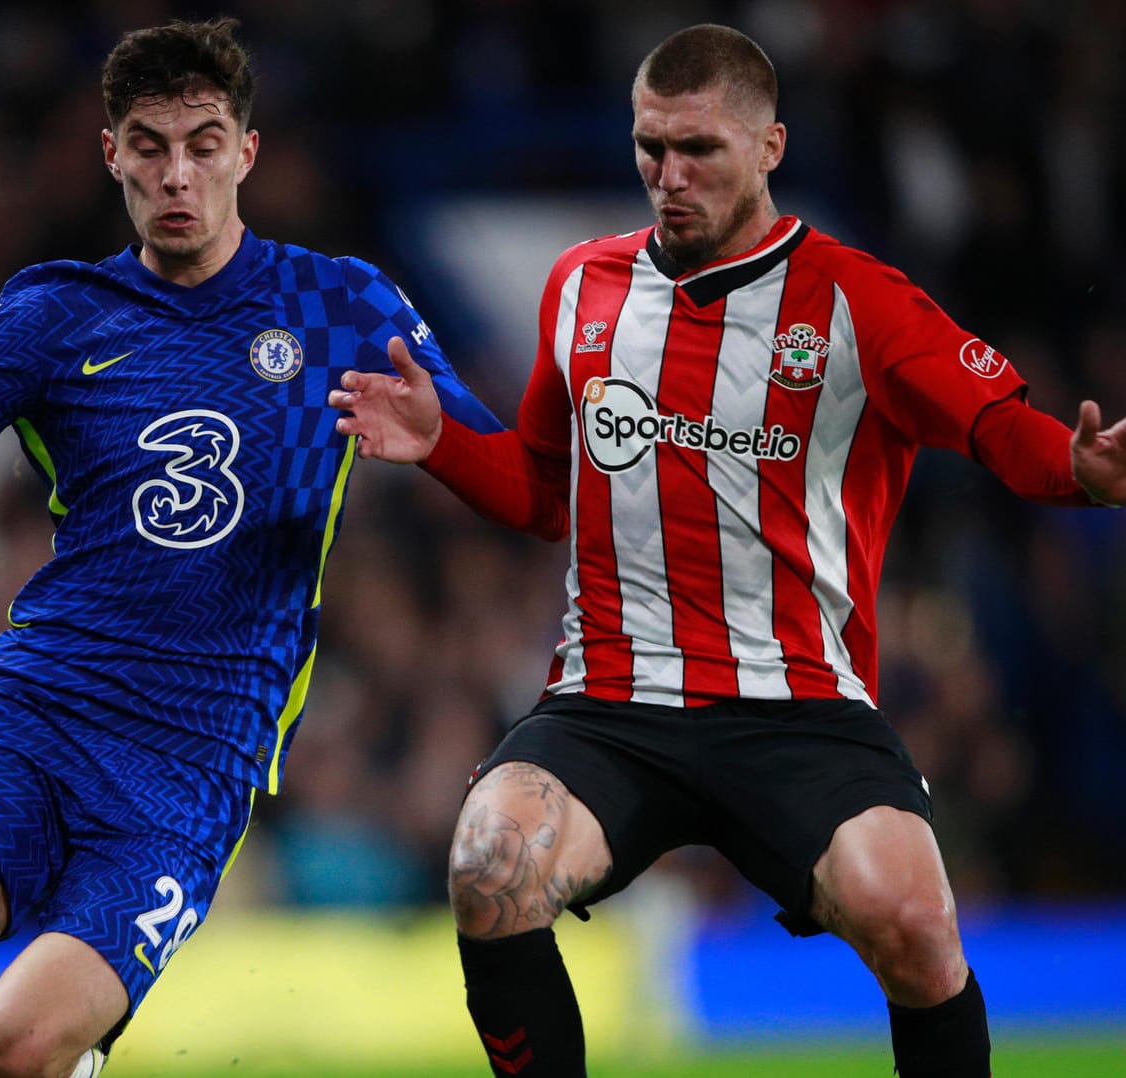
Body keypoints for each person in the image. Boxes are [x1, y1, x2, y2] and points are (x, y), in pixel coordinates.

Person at [0, 17, 499, 1078]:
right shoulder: (55, 315)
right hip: (39, 709)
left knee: (18, 1040)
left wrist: (443, 447)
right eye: (149, 145)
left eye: (203, 143)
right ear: (111, 154)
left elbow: (503, 467)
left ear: (247, 152)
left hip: (192, 759)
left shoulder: (338, 306)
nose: (177, 173)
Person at [330, 23, 1126, 1078]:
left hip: (798, 706)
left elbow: (996, 422)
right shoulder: (583, 286)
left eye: (697, 149)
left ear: (770, 147)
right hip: (613, 703)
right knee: (488, 864)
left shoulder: (856, 299)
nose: (668, 175)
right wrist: (441, 446)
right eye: (650, 146)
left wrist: (1078, 470)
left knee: (917, 922)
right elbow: (540, 491)